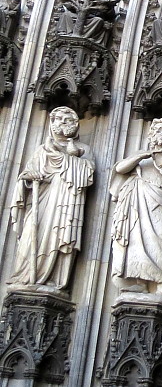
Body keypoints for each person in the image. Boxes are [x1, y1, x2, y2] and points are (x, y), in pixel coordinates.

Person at [9, 106, 94, 291]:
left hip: (66, 206)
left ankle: (54, 280)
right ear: (51, 123)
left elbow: (87, 175)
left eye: (67, 120)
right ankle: (26, 277)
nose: (62, 123)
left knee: (59, 240)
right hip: (42, 203)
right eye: (58, 119)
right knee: (31, 238)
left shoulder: (83, 150)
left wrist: (72, 158)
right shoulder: (42, 151)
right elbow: (24, 177)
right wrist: (29, 178)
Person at [110, 118, 162, 296]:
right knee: (136, 243)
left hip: (161, 205)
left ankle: (160, 282)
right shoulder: (142, 157)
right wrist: (140, 156)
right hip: (137, 206)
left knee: (161, 240)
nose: (158, 134)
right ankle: (138, 281)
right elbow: (120, 169)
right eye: (155, 131)